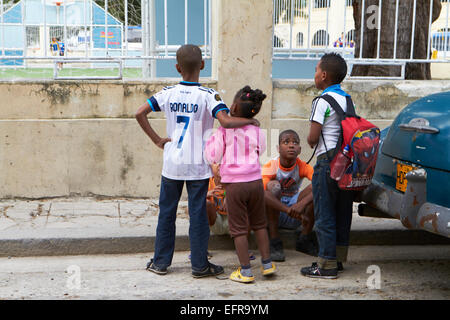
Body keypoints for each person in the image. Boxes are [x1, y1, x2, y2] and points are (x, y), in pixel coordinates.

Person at [135, 44, 260, 278]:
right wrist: (249, 122)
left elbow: (139, 113)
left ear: (177, 67)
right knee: (198, 214)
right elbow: (224, 121)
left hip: (172, 164)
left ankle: (161, 263)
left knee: (167, 213)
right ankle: (200, 265)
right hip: (198, 166)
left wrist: (157, 140)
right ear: (202, 65)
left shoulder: (167, 93)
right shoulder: (208, 95)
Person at [205, 85, 275, 284]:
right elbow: (260, 150)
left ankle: (245, 271)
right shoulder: (256, 129)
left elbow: (213, 155)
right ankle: (268, 264)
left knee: (239, 230)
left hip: (235, 185)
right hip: (254, 181)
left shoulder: (224, 131)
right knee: (260, 225)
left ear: (233, 107)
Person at [300, 52, 354, 279]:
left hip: (327, 164)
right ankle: (338, 259)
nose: (314, 74)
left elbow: (313, 138)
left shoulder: (321, 101)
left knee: (325, 213)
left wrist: (312, 139)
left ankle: (326, 265)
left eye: (315, 70)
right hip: (347, 164)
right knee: (342, 212)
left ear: (323, 75)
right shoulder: (347, 99)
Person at [262, 129, 317, 262]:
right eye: (286, 142)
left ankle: (304, 239)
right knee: (273, 187)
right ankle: (274, 241)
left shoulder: (303, 166)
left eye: (295, 142)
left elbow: (320, 185)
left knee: (316, 186)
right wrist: (288, 210)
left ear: (299, 149)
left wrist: (301, 205)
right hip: (275, 213)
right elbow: (262, 192)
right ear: (278, 148)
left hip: (297, 211)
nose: (291, 145)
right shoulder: (271, 166)